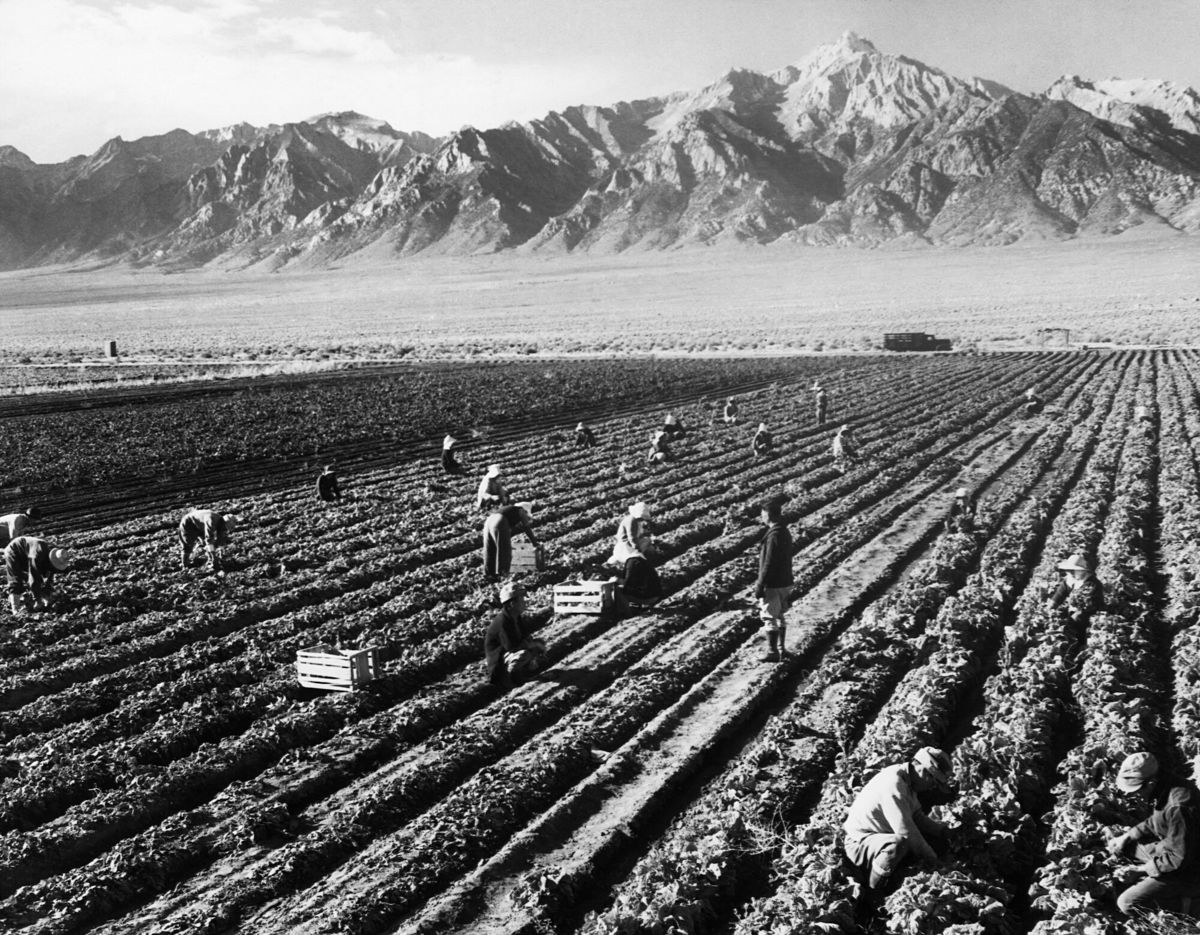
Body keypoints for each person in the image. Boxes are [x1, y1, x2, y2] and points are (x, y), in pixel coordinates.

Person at [843, 747, 953, 890]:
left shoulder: (907, 779)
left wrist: (942, 830)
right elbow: (905, 831)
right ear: (921, 768)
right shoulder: (894, 785)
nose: (933, 787)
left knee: (933, 842)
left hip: (881, 836)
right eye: (933, 781)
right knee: (898, 844)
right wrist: (933, 859)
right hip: (860, 842)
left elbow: (916, 816)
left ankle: (893, 874)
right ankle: (873, 891)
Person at [1107, 756, 1200, 916]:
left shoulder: (1179, 806)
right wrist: (1127, 837)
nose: (1134, 796)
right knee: (1129, 846)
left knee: (1128, 903)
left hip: (1191, 869)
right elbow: (1156, 821)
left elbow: (1177, 860)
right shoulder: (1166, 786)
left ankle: (1193, 906)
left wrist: (1142, 870)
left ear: (1150, 783)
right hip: (1175, 849)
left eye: (1137, 790)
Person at [482, 582, 547, 688]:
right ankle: (509, 678)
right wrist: (532, 645)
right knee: (524, 654)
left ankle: (524, 672)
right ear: (512, 603)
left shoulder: (516, 617)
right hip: (498, 663)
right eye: (522, 600)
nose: (525, 603)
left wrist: (535, 644)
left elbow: (525, 636)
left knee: (538, 645)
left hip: (509, 654)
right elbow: (512, 647)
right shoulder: (503, 622)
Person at [756, 494, 793, 662]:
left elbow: (769, 561)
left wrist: (761, 583)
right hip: (786, 580)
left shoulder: (774, 535)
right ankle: (781, 649)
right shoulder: (784, 531)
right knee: (781, 615)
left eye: (762, 514)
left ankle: (772, 652)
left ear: (767, 515)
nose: (761, 517)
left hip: (774, 582)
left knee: (770, 615)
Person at [608, 501, 663, 606]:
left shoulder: (633, 562)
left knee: (620, 591)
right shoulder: (631, 520)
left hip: (648, 597)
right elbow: (631, 538)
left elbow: (627, 584)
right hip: (626, 546)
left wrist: (617, 581)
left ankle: (626, 612)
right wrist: (637, 549)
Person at [5, 536, 71, 614]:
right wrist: (37, 599)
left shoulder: (55, 556)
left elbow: (49, 577)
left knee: (39, 577)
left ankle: (37, 598)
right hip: (14, 550)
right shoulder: (38, 553)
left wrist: (47, 594)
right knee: (16, 580)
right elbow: (33, 577)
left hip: (27, 554)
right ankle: (15, 609)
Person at [482, 502, 538, 579]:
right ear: (525, 510)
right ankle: (503, 573)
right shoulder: (521, 510)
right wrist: (535, 543)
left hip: (488, 522)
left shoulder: (509, 510)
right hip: (499, 521)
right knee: (504, 550)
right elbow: (527, 528)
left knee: (490, 548)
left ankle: (488, 574)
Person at [1045, 553, 1104, 622]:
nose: (1071, 573)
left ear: (1082, 571)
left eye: (1074, 570)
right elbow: (1058, 596)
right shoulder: (1070, 580)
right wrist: (1048, 610)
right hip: (1075, 613)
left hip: (1089, 616)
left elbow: (1082, 609)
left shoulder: (1092, 584)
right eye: (1069, 570)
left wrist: (1067, 620)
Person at [179, 508, 237, 572]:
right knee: (188, 545)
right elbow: (209, 539)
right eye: (225, 528)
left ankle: (199, 558)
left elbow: (220, 538)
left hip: (200, 525)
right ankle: (185, 566)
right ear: (224, 523)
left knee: (204, 543)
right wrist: (214, 557)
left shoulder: (221, 524)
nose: (225, 530)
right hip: (188, 523)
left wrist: (221, 553)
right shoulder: (212, 520)